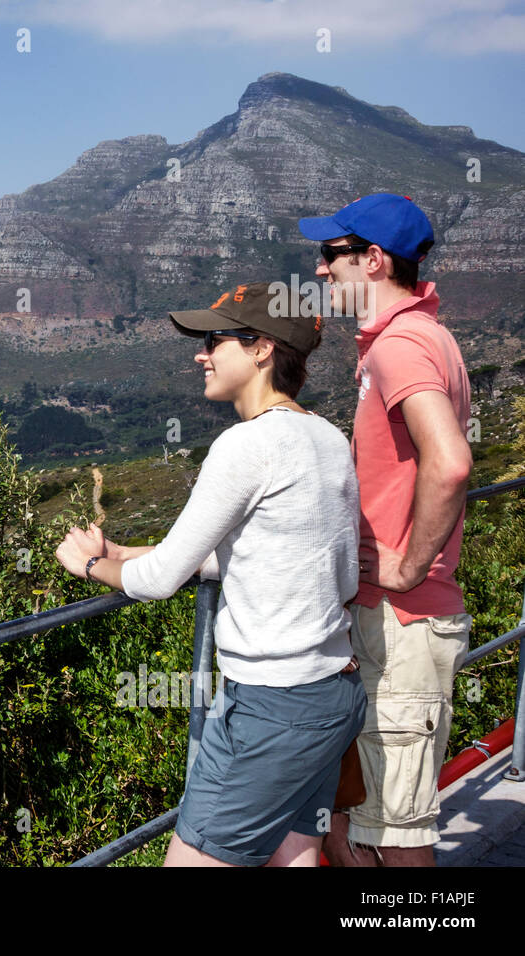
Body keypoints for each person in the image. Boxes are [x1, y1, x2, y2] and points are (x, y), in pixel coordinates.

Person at [56, 281, 366, 867]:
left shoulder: (245, 445)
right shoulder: (327, 437)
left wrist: (92, 564)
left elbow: (158, 582)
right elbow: (267, 554)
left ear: (261, 350)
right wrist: (126, 551)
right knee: (294, 859)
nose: (201, 353)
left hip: (272, 708)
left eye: (213, 339)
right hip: (333, 693)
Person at [298, 194, 474, 867]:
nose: (319, 271)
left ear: (372, 260)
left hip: (403, 618)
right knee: (361, 823)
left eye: (330, 255)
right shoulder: (419, 339)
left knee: (399, 838)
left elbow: (452, 464)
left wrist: (405, 567)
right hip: (392, 619)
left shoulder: (401, 347)